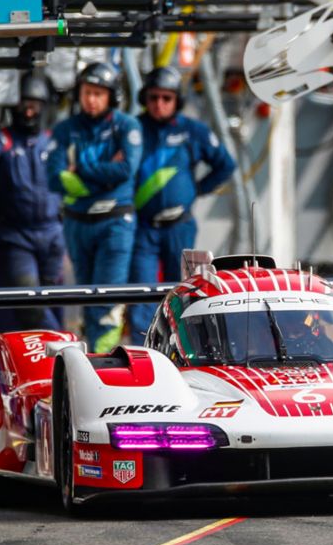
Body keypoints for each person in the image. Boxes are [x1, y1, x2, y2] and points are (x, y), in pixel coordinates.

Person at [127, 67, 236, 344]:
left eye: (167, 98)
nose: (159, 104)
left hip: (180, 226)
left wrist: (196, 190)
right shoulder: (132, 129)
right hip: (142, 228)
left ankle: (184, 349)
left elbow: (226, 165)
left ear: (177, 100)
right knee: (142, 293)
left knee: (184, 293)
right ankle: (143, 352)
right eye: (153, 97)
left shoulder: (193, 130)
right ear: (145, 98)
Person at [47, 62, 142, 352]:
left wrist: (81, 170)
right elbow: (54, 177)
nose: (91, 99)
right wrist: (103, 177)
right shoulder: (65, 129)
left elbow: (125, 170)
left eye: (98, 94)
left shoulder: (127, 126)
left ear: (111, 96)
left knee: (107, 297)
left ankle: (104, 357)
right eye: (87, 92)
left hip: (115, 223)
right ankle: (90, 355)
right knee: (86, 295)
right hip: (77, 223)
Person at [0, 73, 66, 333]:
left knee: (54, 300)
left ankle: (55, 353)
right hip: (16, 237)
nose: (28, 111)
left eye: (34, 105)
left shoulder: (54, 140)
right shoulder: (4, 140)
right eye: (23, 104)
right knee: (29, 306)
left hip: (53, 235)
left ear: (44, 107)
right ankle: (68, 345)